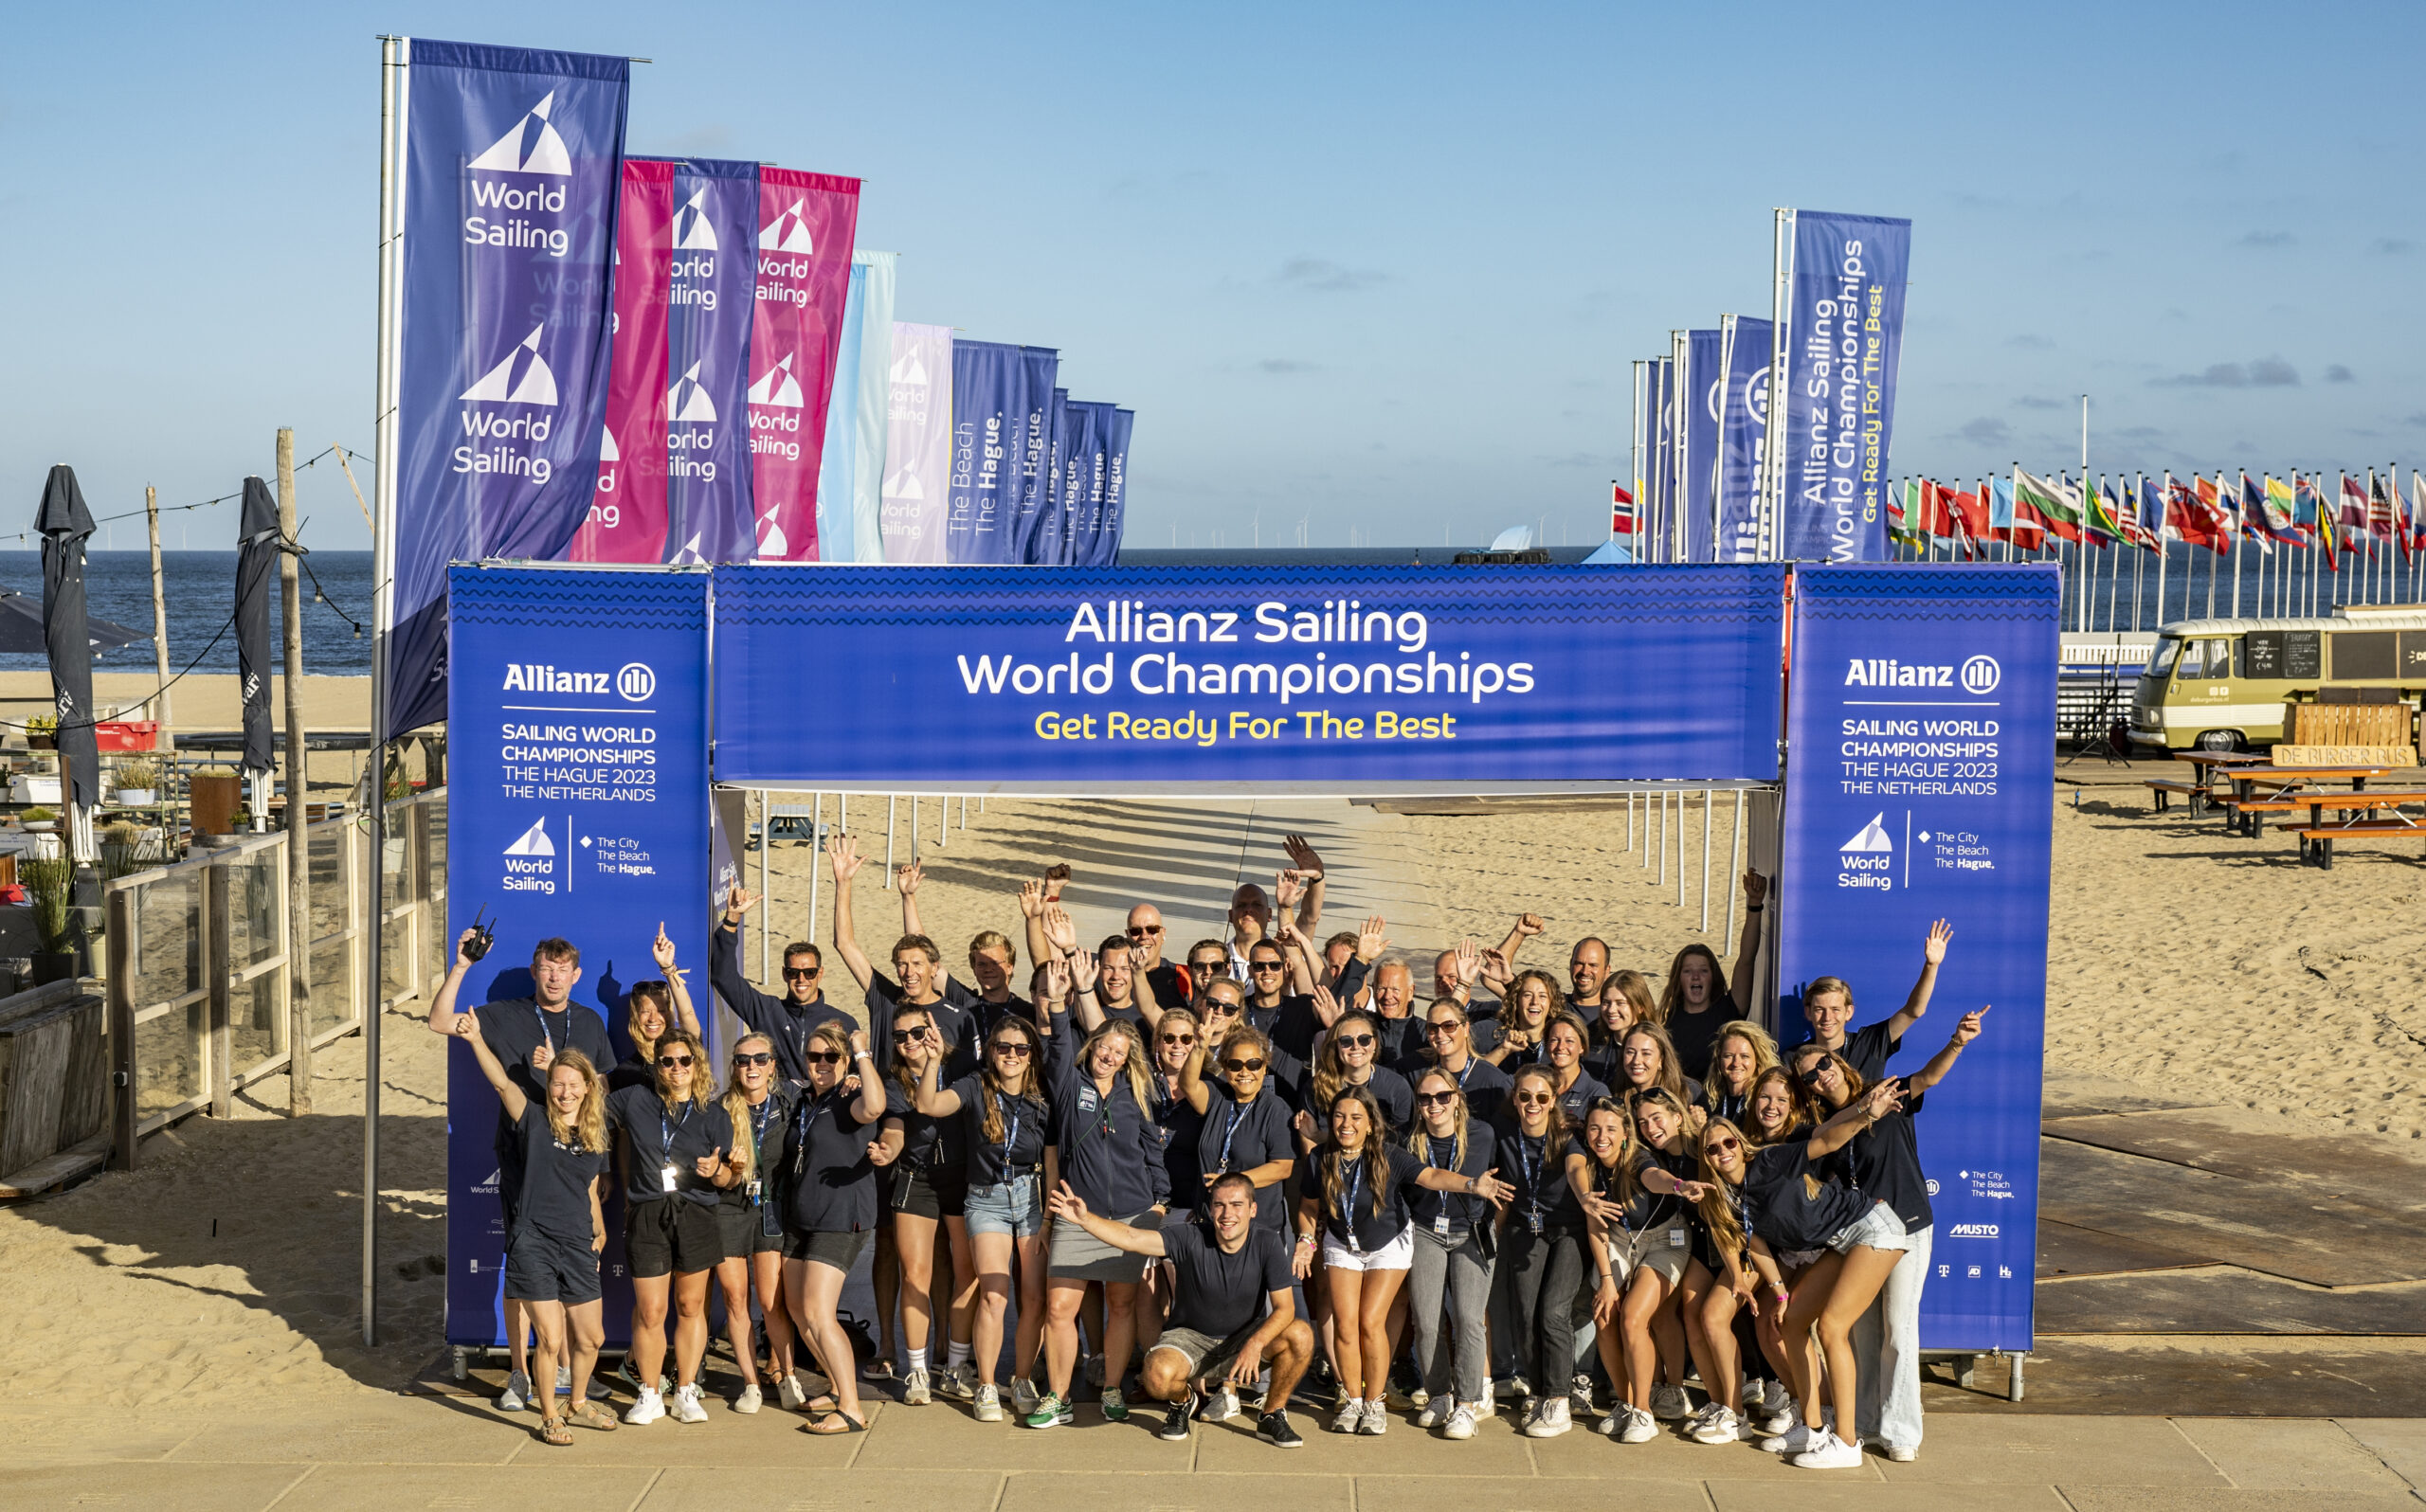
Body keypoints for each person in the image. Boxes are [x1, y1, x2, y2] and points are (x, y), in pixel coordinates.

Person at [428, 932, 614, 1413]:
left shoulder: (589, 1021)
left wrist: (559, 1075)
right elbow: (439, 1021)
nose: (554, 977)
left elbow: (602, 1088)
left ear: (576, 975)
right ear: (534, 972)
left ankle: (569, 1371)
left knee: (571, 1266)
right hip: (522, 1157)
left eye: (563, 970)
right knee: (524, 1266)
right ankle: (520, 1371)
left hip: (576, 1159)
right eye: (546, 969)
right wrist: (462, 966)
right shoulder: (506, 1014)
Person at [1793, 1006, 1987, 1464]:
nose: (1821, 1075)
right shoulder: (1829, 1127)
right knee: (1863, 1332)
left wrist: (1957, 1042)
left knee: (1899, 1329)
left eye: (1824, 1064)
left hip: (1909, 1226)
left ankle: (1901, 1431)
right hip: (1863, 1237)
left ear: (1838, 1061)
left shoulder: (1885, 1091)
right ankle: (1863, 1422)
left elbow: (1929, 1077)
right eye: (1809, 1077)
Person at [1050, 1173, 1317, 1448]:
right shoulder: (1189, 1236)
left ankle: (1272, 1414)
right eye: (1220, 1205)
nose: (1227, 1214)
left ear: (1253, 1209)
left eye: (1237, 1205)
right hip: (1190, 1338)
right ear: (1210, 1209)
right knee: (1156, 1376)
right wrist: (1085, 1219)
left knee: (1300, 1335)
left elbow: (1285, 1309)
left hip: (1243, 1338)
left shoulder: (1267, 1242)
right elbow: (1132, 1238)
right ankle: (1184, 1401)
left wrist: (1255, 1344)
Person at [1293, 1085, 1502, 1435]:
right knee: (1345, 1325)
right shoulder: (1320, 1158)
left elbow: (1431, 1176)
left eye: (1356, 1117)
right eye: (1339, 1116)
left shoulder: (1389, 1154)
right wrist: (1305, 1239)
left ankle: (1374, 1403)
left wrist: (1472, 1185)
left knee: (1370, 1321)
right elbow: (1308, 1205)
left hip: (1387, 1242)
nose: (1346, 1124)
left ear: (1370, 1124)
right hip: (1343, 1242)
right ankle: (1353, 1400)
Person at [1737, 1062, 1909, 1469]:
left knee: (1832, 1328)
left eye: (1781, 1099)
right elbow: (1751, 1240)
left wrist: (1867, 1111)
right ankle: (1814, 1427)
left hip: (1871, 1229)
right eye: (1765, 1097)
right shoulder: (1746, 1157)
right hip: (1838, 1240)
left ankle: (1846, 1443)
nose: (1772, 1105)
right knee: (1791, 1322)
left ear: (1793, 1105)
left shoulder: (1790, 1144)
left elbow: (1828, 1135)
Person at [914, 990, 1056, 1423]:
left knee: (1034, 1298)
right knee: (994, 1295)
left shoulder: (1042, 1096)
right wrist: (933, 1061)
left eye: (1020, 1049)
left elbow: (1051, 1161)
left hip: (1031, 1198)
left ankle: (1023, 1379)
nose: (1011, 1055)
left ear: (1031, 1055)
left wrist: (1049, 1219)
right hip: (987, 1198)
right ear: (990, 1051)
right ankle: (988, 1385)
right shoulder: (975, 1086)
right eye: (1003, 1047)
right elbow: (928, 1105)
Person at [1032, 1016, 1169, 1428]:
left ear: (1128, 1060)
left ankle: (1112, 1387)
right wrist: (1059, 1005)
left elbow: (1152, 1148)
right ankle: (1058, 1397)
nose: (1109, 1056)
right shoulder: (1069, 1084)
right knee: (1059, 1308)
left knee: (1121, 1305)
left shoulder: (1136, 1091)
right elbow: (1058, 1048)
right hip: (1076, 1212)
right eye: (1104, 1047)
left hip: (1131, 1215)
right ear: (1091, 1045)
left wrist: (1160, 1202)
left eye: (1119, 1052)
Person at [603, 1026, 734, 1425]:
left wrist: (716, 1171)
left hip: (696, 1212)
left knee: (690, 1305)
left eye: (685, 1060)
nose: (677, 1068)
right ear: (657, 1066)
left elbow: (730, 1178)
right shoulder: (634, 1099)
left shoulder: (714, 1114)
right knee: (651, 1310)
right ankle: (649, 1392)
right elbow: (590, 1112)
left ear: (696, 1064)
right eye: (668, 1061)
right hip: (647, 1212)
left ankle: (686, 1389)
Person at [779, 1020, 891, 1434]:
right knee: (798, 1310)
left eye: (831, 1056)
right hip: (801, 1217)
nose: (822, 1063)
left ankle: (851, 1408)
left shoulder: (852, 1096)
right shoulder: (805, 1101)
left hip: (841, 1218)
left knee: (818, 1313)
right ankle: (836, 1384)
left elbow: (875, 1109)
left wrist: (862, 1054)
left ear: (844, 1061)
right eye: (815, 1056)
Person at [1403, 1069, 1508, 1439]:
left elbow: (1498, 1183)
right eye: (1425, 1098)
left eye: (1442, 1096)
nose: (1434, 1105)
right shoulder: (1409, 1141)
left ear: (1457, 1099)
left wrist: (1493, 1225)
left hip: (1471, 1231)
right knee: (1427, 1320)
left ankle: (1466, 1404)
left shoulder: (1482, 1134)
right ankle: (1438, 1395)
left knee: (1468, 1318)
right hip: (1426, 1231)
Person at [884, 1003, 978, 1407]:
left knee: (967, 1273)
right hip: (916, 1177)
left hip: (962, 1176)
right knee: (914, 1276)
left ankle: (956, 1364)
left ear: (932, 1031)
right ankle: (918, 1369)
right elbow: (893, 1127)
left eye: (916, 1033)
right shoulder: (894, 1079)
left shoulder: (962, 1065)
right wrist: (887, 1148)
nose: (909, 1041)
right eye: (900, 1036)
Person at [1602, 1087, 1711, 1438]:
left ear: (1678, 1117)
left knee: (1663, 1315)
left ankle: (1669, 1391)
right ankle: (1648, 1393)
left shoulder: (1701, 1147)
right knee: (1655, 1314)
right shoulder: (1650, 1151)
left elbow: (1658, 1179)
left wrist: (1679, 1185)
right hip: (1676, 1235)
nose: (1650, 1128)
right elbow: (1651, 1175)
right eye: (1643, 1122)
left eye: (1657, 1118)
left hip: (1710, 1240)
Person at [1684, 1115, 1794, 1449]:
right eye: (1712, 1149)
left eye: (1728, 1142)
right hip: (1751, 1250)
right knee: (1705, 1314)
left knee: (1721, 1317)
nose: (1723, 1151)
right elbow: (1729, 1236)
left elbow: (1760, 1240)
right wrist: (1736, 1278)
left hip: (1784, 1249)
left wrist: (1778, 1291)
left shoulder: (1763, 1166)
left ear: (1741, 1143)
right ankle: (1726, 1409)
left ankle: (1738, 1414)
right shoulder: (1714, 1188)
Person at [712, 1032, 799, 1413]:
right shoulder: (719, 1110)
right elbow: (714, 1173)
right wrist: (729, 1169)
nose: (752, 1066)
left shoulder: (789, 1103)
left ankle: (788, 1375)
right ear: (734, 1067)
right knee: (735, 1298)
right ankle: (750, 1383)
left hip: (772, 1208)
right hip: (730, 1207)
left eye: (760, 1059)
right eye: (743, 1060)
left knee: (770, 1300)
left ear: (772, 1066)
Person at [1494, 1065, 1584, 1432]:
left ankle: (1559, 1400)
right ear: (1515, 1099)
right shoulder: (1503, 1133)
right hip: (1524, 1228)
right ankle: (1538, 1389)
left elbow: (1577, 1167)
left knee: (1553, 1312)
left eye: (1542, 1097)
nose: (1533, 1103)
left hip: (1568, 1230)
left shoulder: (1567, 1134)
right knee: (1526, 1314)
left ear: (1554, 1099)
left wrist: (1585, 1196)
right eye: (1525, 1096)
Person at [1175, 1002, 1297, 1238]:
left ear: (1264, 1068)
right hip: (1212, 1222)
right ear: (1225, 1068)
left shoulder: (1275, 1109)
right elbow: (1188, 1085)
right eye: (1235, 1065)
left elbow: (1283, 1167)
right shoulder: (1218, 1097)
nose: (1244, 1072)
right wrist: (1199, 1047)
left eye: (1253, 1064)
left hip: (1257, 1229)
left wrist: (1232, 1182)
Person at [715, 883, 850, 1088]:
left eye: (809, 972)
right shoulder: (767, 1010)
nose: (801, 979)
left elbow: (858, 1072)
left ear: (820, 974)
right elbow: (724, 977)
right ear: (784, 974)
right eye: (793, 973)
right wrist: (732, 920)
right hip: (779, 1104)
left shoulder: (844, 1022)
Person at [1799, 919, 1953, 1081]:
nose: (1827, 1017)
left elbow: (1914, 1011)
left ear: (1849, 1012)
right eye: (1819, 1009)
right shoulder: (1796, 1059)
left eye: (1835, 1009)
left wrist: (1931, 965)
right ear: (1808, 1013)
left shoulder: (1870, 1043)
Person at [1659, 871, 1769, 1081]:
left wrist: (1755, 904)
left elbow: (1746, 958)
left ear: (1713, 977)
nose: (1696, 977)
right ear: (1678, 979)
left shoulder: (1728, 1010)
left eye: (1703, 970)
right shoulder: (1665, 1019)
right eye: (1688, 971)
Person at [1294, 1005, 1415, 1139]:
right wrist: (1317, 1136)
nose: (1356, 1046)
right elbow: (1307, 1137)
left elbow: (1400, 1142)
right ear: (1336, 1046)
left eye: (1364, 1040)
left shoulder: (1397, 1087)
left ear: (1375, 1044)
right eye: (1346, 1041)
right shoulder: (1316, 1088)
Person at [1403, 999, 1512, 1127]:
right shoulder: (1415, 1071)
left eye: (1449, 1026)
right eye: (1433, 1028)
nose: (1440, 1034)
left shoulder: (1492, 1080)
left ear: (1466, 1029)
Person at [1583, 970, 1659, 1087]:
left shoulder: (1656, 1044)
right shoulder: (1592, 1038)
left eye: (1620, 1003)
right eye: (1606, 1002)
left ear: (1640, 1007)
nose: (1611, 1010)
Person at [1700, 1021, 1782, 1124]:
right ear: (1718, 1059)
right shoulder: (1709, 1101)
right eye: (1729, 1056)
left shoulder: (1764, 1103)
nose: (1736, 1063)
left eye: (1744, 1056)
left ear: (1758, 1060)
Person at [1536, 1011, 1610, 1123]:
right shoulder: (1536, 1082)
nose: (1561, 1047)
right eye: (1554, 1040)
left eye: (1569, 1041)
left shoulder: (1596, 1091)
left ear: (1582, 1047)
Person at [1480, 969, 1562, 1068]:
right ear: (1516, 1000)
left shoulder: (1560, 1043)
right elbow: (1472, 1073)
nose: (1535, 1002)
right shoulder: (1492, 1032)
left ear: (1551, 1003)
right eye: (1527, 995)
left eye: (1542, 996)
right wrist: (1503, 1050)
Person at [1613, 1021, 1699, 1107]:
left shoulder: (1689, 1092)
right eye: (1630, 1052)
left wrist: (1690, 1116)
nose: (1636, 1061)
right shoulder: (1613, 1092)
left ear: (1661, 1059)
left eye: (1646, 1053)